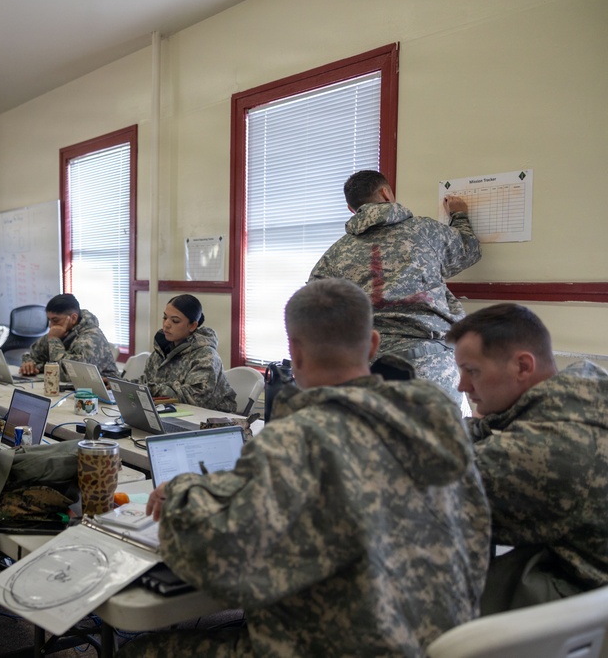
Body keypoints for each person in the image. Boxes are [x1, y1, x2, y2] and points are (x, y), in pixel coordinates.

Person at [124, 279, 490, 658]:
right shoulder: (440, 419)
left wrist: (184, 492)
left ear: (294, 352)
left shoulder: (295, 438)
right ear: (374, 345)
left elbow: (216, 567)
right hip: (442, 641)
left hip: (336, 647)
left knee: (137, 651)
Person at [447, 303, 608, 614]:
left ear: (522, 366)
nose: (462, 386)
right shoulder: (583, 391)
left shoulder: (542, 452)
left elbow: (427, 489)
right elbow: (488, 427)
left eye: (472, 372)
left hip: (590, 610)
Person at [309, 169, 482, 403]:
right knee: (433, 439)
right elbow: (469, 250)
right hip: (429, 366)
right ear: (386, 194)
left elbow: (314, 308)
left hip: (367, 369)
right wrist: (460, 215)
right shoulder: (425, 231)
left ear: (352, 209)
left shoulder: (336, 252)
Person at [139, 294, 237, 412]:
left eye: (175, 321)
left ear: (192, 326)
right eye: (165, 318)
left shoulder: (206, 356)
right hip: (171, 416)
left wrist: (150, 389)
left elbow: (193, 399)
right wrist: (120, 385)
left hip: (211, 423)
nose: (166, 324)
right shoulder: (160, 352)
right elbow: (145, 382)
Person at [18, 293, 119, 379]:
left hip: (106, 395)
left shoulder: (90, 338)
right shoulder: (62, 331)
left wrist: (54, 340)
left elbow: (68, 374)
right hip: (72, 392)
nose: (51, 325)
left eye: (55, 320)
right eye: (49, 320)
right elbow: (34, 354)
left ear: (73, 318)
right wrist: (30, 364)